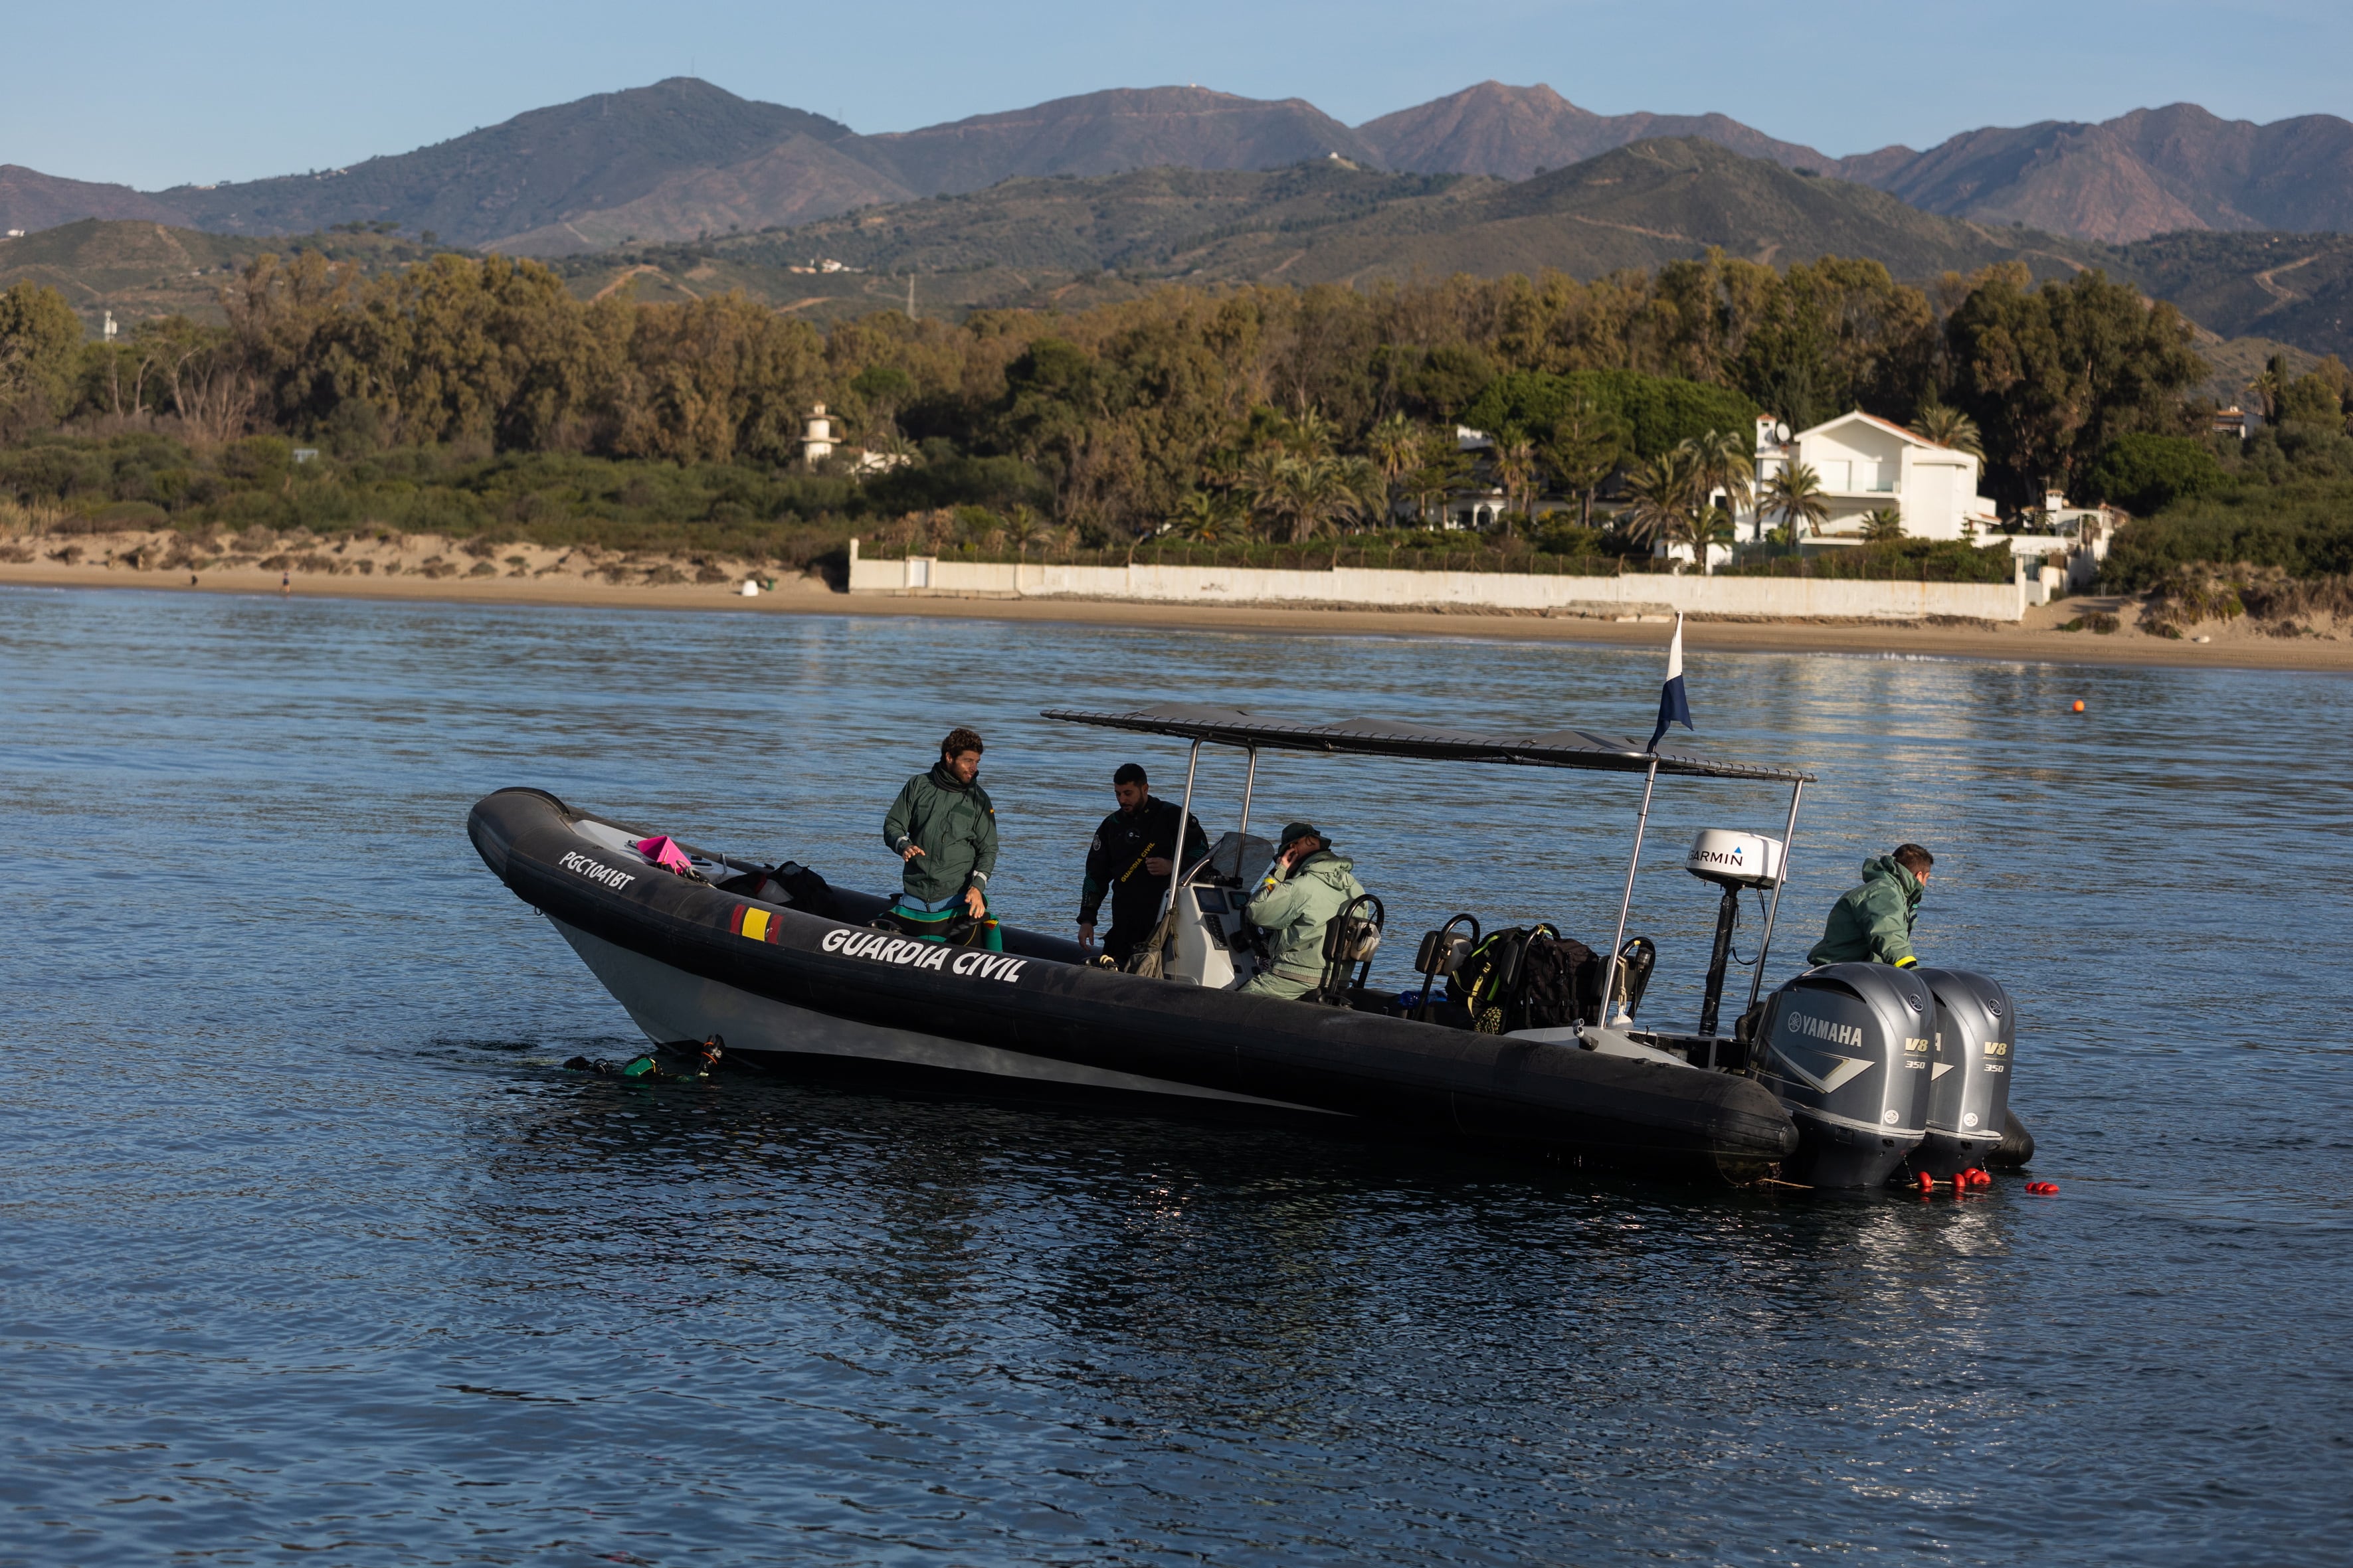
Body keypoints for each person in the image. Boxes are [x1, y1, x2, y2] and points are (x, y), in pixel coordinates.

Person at [1076, 762, 1210, 964]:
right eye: (1118, 794)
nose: (1122, 800)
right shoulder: (1111, 826)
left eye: (1128, 793)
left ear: (1145, 789)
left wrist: (1173, 866)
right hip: (1124, 921)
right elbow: (1096, 875)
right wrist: (1087, 919)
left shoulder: (1173, 817)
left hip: (1162, 922)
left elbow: (1204, 855)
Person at [883, 727, 1002, 952]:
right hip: (913, 900)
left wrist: (977, 888)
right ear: (949, 757)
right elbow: (893, 825)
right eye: (968, 761)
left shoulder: (980, 801)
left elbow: (988, 850)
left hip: (957, 905)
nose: (974, 768)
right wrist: (903, 845)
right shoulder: (918, 786)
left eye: (977, 761)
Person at [1238, 822, 1366, 1002]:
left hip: (1295, 978)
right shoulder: (1356, 889)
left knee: (1237, 1001)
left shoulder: (1301, 887)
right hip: (1339, 980)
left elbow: (1258, 912)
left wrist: (1278, 871)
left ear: (1292, 850)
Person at [1807, 843, 1933, 968]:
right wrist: (1910, 968)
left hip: (1852, 969)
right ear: (1920, 876)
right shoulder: (1884, 892)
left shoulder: (1886, 890)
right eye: (1927, 878)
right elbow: (1888, 932)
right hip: (1844, 972)